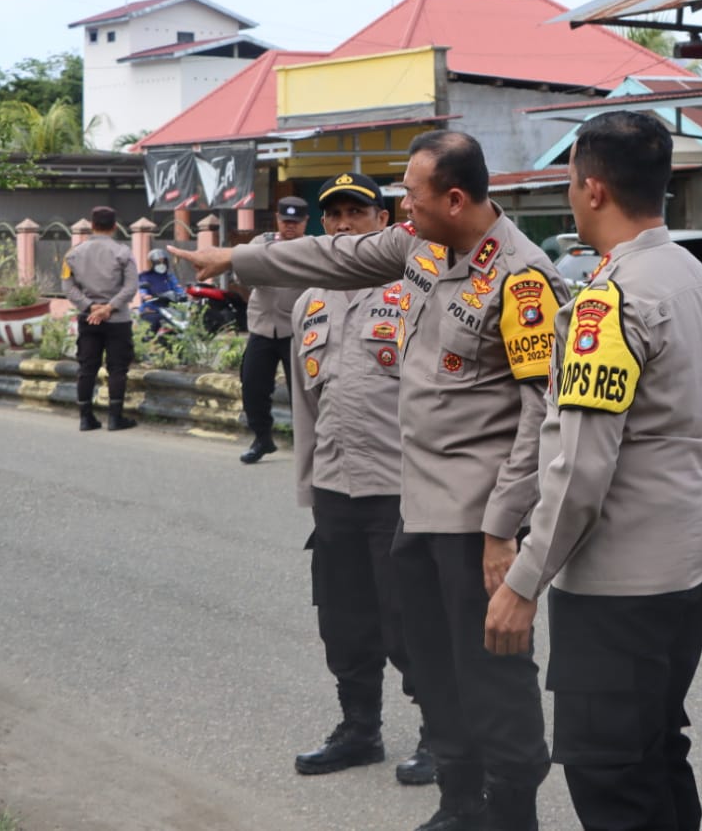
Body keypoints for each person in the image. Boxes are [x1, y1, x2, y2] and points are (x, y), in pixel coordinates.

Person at [170, 132, 566, 831]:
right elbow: (332, 254)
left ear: (453, 196)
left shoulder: (522, 277)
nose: (401, 204)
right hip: (416, 505)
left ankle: (511, 814)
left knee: (492, 675)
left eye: (411, 193)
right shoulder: (420, 246)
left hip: (477, 521)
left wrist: (504, 528)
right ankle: (459, 803)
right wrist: (235, 256)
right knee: (434, 667)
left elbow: (541, 415)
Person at [485, 111, 702, 831]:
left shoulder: (611, 298)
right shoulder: (693, 276)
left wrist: (524, 580)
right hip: (695, 555)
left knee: (608, 773)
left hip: (624, 581)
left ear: (591, 189)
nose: (568, 195)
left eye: (568, 182)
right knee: (654, 749)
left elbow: (580, 467)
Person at [289, 173, 433, 787]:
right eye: (335, 215)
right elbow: (303, 405)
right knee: (343, 619)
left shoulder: (416, 292)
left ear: (383, 221)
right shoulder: (309, 302)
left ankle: (439, 733)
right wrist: (308, 485)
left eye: (357, 212)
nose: (344, 225)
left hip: (400, 487)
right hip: (334, 486)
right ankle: (359, 729)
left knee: (411, 619)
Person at [237, 195, 309, 464]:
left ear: (305, 222)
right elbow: (241, 273)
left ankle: (306, 444)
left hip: (296, 330)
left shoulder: (312, 248)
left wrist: (267, 270)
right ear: (277, 219)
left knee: (301, 391)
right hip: (262, 327)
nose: (290, 226)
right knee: (253, 385)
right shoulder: (260, 243)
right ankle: (262, 438)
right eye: (285, 220)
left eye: (296, 221)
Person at [61, 205, 138, 432]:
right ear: (115, 227)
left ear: (91, 226)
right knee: (117, 368)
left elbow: (68, 287)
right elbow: (131, 287)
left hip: (88, 319)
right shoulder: (123, 252)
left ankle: (86, 418)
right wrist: (109, 307)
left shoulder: (72, 254)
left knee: (87, 367)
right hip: (118, 321)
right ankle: (115, 418)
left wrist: (90, 306)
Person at [137, 247, 187, 335]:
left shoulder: (169, 276)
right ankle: (149, 342)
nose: (161, 264)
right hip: (151, 309)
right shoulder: (144, 276)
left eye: (163, 261)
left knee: (180, 324)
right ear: (151, 263)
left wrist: (183, 294)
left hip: (169, 309)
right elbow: (143, 289)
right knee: (157, 321)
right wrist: (145, 296)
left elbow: (177, 288)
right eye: (158, 262)